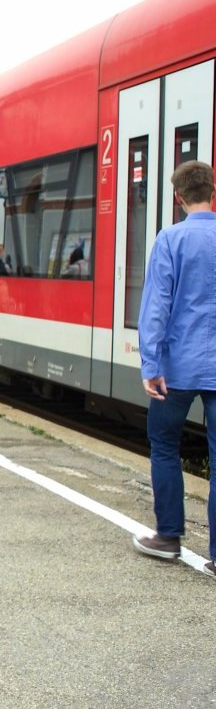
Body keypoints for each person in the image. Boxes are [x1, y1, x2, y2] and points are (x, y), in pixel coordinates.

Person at [132, 160, 216, 579]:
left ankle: (169, 537)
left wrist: (150, 365)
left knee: (165, 445)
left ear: (179, 197)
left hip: (176, 369)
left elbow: (156, 307)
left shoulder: (171, 239)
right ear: (212, 191)